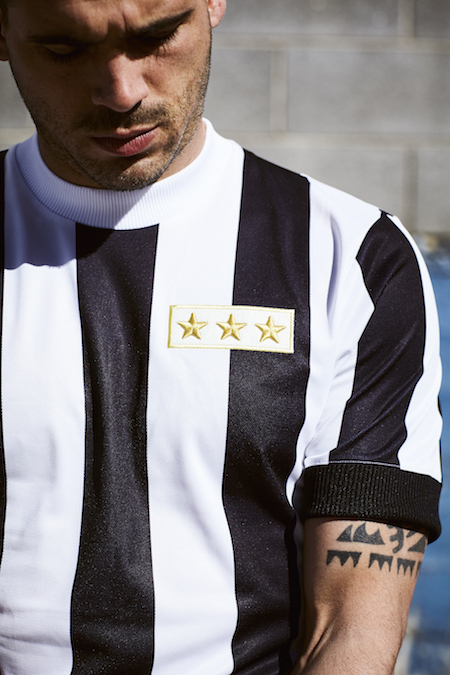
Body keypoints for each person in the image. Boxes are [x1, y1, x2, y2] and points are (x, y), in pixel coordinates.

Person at [0, 0, 442, 673]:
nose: (121, 91)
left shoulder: (351, 257)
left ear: (211, 3)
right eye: (65, 49)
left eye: (157, 36)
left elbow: (350, 631)